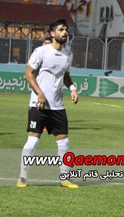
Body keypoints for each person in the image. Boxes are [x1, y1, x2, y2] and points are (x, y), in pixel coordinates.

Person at [17, 19, 79, 188]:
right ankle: (22, 177)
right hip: (38, 104)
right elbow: (28, 74)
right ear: (52, 33)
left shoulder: (68, 54)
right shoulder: (41, 51)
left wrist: (73, 88)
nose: (65, 32)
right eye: (61, 29)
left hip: (58, 106)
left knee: (64, 142)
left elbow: (65, 75)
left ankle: (64, 178)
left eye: (66, 29)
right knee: (33, 141)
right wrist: (40, 94)